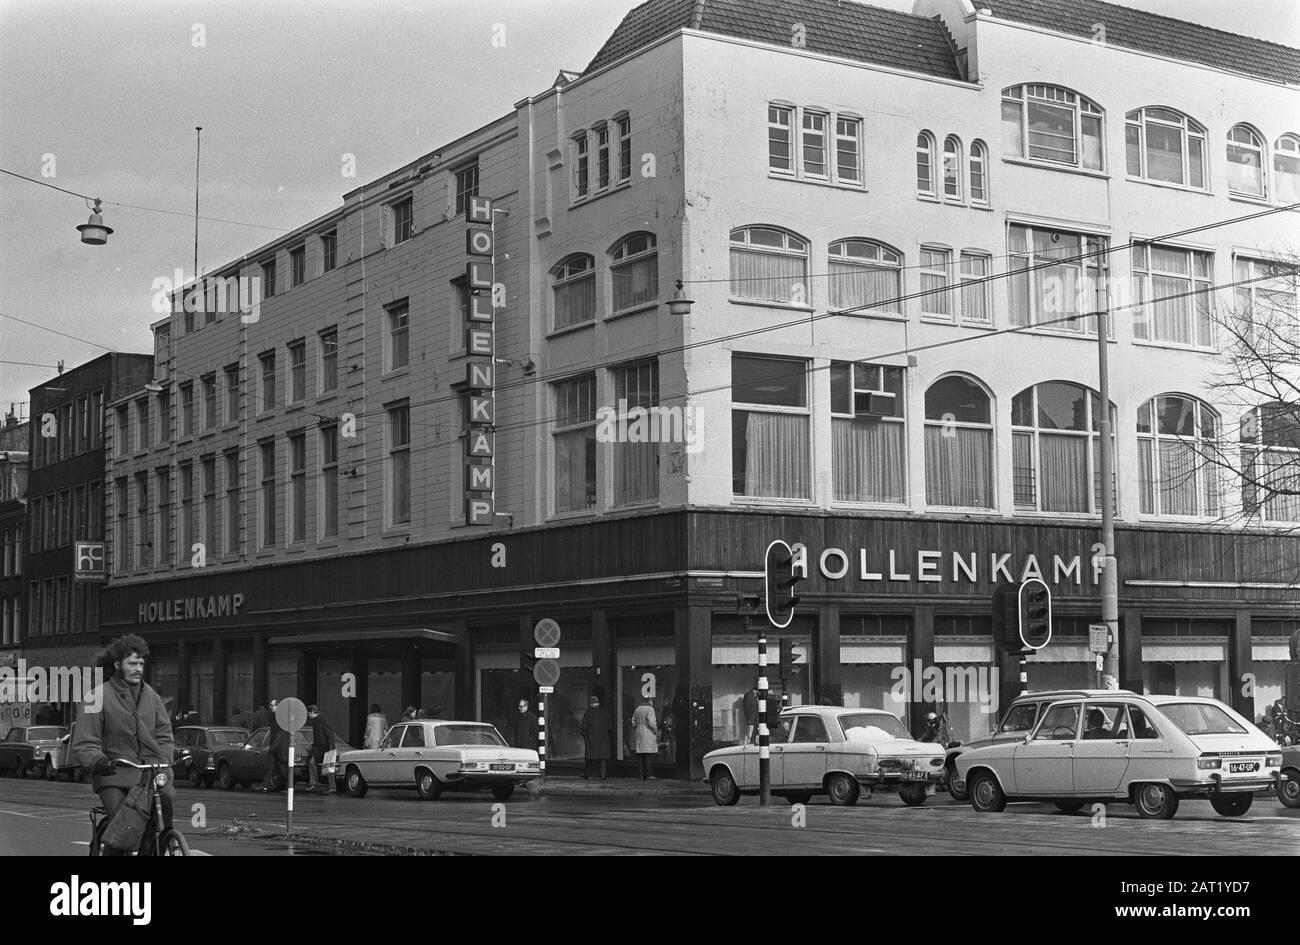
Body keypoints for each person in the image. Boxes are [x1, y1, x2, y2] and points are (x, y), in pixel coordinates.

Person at [71, 634, 175, 855]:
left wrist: (165, 759)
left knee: (167, 798)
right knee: (123, 821)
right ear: (118, 665)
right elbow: (85, 741)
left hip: (148, 774)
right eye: (132, 663)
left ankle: (154, 848)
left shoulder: (152, 697)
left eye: (141, 663)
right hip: (113, 775)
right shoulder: (96, 697)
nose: (138, 668)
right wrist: (99, 762)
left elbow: (165, 735)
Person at [579, 695, 614, 780]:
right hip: (603, 739)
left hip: (591, 738)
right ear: (598, 704)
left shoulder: (588, 713)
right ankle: (603, 775)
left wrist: (585, 736)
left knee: (589, 757)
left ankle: (587, 774)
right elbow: (610, 728)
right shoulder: (605, 713)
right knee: (603, 757)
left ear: (590, 704)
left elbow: (583, 727)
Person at [259, 700, 288, 791]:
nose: (270, 707)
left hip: (280, 747)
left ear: (278, 706)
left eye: (272, 705)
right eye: (270, 705)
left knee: (284, 768)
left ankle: (288, 786)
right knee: (270, 766)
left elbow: (280, 734)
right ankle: (266, 784)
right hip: (275, 747)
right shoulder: (274, 717)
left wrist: (273, 746)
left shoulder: (281, 718)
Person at [306, 705, 335, 792]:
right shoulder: (319, 720)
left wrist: (330, 748)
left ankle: (331, 787)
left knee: (327, 766)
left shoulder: (321, 720)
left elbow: (328, 734)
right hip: (322, 747)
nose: (308, 716)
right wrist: (313, 745)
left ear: (312, 712)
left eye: (308, 713)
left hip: (324, 747)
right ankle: (317, 784)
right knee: (316, 763)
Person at [630, 696, 659, 780]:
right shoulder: (650, 709)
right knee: (648, 755)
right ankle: (650, 774)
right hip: (648, 733)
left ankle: (641, 775)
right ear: (649, 701)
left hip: (639, 733)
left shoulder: (637, 709)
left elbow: (633, 722)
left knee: (640, 755)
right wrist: (655, 731)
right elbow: (651, 722)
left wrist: (638, 727)